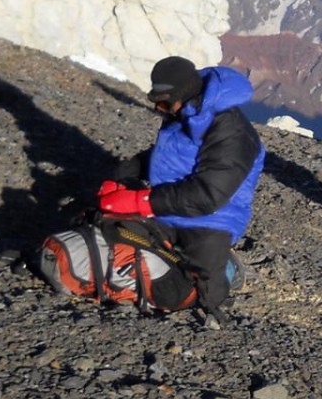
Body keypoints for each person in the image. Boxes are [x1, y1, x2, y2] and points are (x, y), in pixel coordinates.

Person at [99, 56, 265, 328]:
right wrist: (122, 175)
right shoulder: (185, 112)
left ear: (184, 94)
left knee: (204, 294)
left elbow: (208, 195)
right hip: (169, 205)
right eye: (157, 104)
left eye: (164, 103)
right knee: (111, 231)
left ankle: (227, 268)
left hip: (212, 218)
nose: (160, 110)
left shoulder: (232, 132)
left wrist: (141, 201)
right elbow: (168, 155)